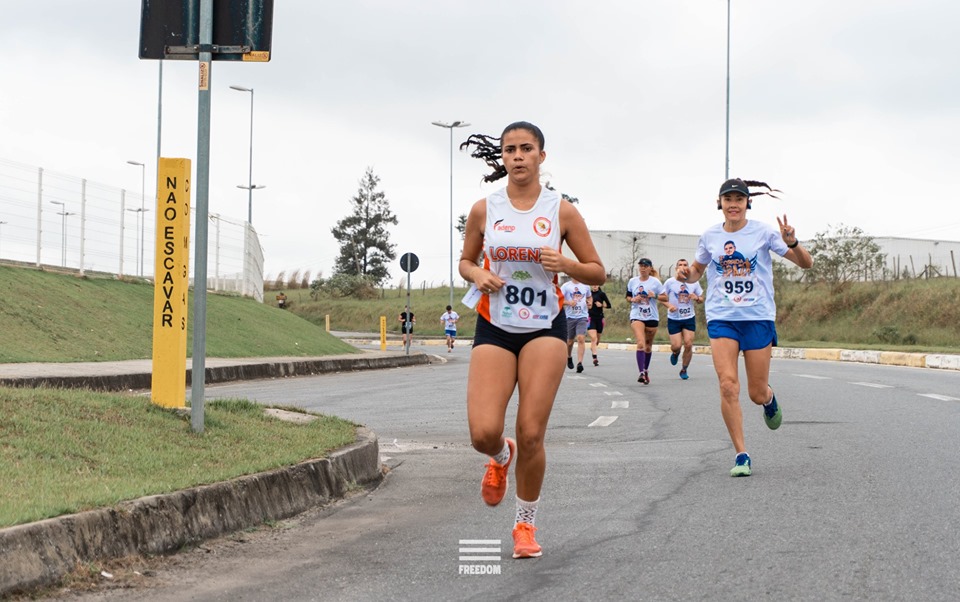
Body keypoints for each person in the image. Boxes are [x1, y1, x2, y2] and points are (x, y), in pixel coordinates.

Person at [458, 121, 605, 559]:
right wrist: (477, 273)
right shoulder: (485, 209)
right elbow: (465, 261)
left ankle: (525, 524)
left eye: (526, 148)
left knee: (532, 432)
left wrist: (567, 264)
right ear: (502, 157)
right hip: (495, 325)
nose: (518, 156)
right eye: (510, 150)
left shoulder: (562, 211)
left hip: (545, 325)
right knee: (483, 432)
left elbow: (597, 272)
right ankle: (501, 456)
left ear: (541, 156)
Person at [677, 178, 813, 477]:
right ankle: (741, 454)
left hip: (757, 317)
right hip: (722, 317)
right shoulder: (709, 236)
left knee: (755, 393)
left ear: (747, 203)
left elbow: (806, 263)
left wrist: (792, 242)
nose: (733, 205)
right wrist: (686, 275)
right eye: (728, 199)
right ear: (720, 203)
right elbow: (697, 270)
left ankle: (769, 398)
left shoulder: (764, 232)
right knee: (728, 385)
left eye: (739, 199)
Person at [659, 259, 703, 380]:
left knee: (688, 344)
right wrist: (669, 306)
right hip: (674, 318)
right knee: (676, 346)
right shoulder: (670, 282)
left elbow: (701, 299)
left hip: (689, 317)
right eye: (680, 265)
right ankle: (675, 352)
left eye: (685, 265)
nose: (683, 267)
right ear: (676, 268)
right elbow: (661, 298)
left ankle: (684, 369)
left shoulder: (694, 282)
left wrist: (696, 298)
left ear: (688, 267)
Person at [625, 258, 663, 384]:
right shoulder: (633, 281)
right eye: (641, 266)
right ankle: (641, 372)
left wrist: (654, 296)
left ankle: (646, 370)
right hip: (637, 315)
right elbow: (628, 296)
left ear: (650, 268)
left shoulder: (655, 282)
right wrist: (632, 299)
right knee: (640, 343)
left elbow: (665, 297)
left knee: (648, 346)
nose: (642, 268)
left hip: (652, 316)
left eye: (645, 266)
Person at [560, 277, 591, 373]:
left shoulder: (585, 286)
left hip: (582, 317)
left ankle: (580, 363)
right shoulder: (566, 286)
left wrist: (590, 303)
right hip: (570, 317)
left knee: (581, 338)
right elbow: (558, 299)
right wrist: (568, 302)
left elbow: (589, 297)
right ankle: (569, 356)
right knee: (569, 342)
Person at [587, 284, 612, 366]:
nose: (594, 286)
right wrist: (587, 304)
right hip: (590, 318)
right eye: (593, 284)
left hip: (599, 318)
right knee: (593, 338)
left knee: (597, 340)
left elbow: (609, 305)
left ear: (598, 286)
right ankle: (595, 358)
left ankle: (593, 347)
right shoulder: (588, 294)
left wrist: (601, 305)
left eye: (596, 284)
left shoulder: (602, 294)